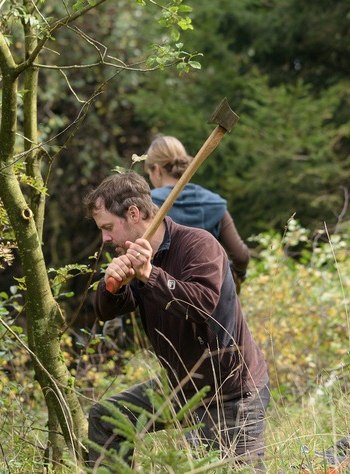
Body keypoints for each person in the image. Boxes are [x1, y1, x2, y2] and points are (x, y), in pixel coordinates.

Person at [83, 171, 270, 471]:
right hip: (180, 386)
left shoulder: (199, 244)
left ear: (133, 213)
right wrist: (112, 286)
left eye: (108, 228)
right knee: (106, 418)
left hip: (232, 393)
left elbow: (201, 304)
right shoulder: (137, 255)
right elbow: (107, 312)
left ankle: (343, 457)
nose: (105, 239)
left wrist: (149, 276)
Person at [145, 135, 250, 293]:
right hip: (210, 299)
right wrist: (236, 276)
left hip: (165, 298)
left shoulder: (148, 205)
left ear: (157, 170)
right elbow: (241, 256)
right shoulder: (215, 203)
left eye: (149, 174)